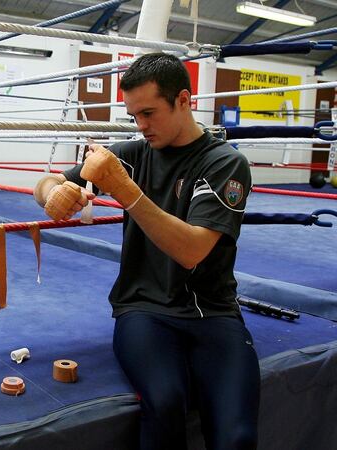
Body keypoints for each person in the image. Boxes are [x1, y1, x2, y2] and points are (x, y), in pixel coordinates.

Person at [33, 53, 259, 450]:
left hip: (213, 313)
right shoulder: (134, 154)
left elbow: (191, 250)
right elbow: (45, 181)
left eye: (150, 113)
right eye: (134, 115)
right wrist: (54, 194)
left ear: (185, 101)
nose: (141, 125)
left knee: (237, 438)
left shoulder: (225, 163)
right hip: (144, 311)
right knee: (166, 403)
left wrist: (124, 190)